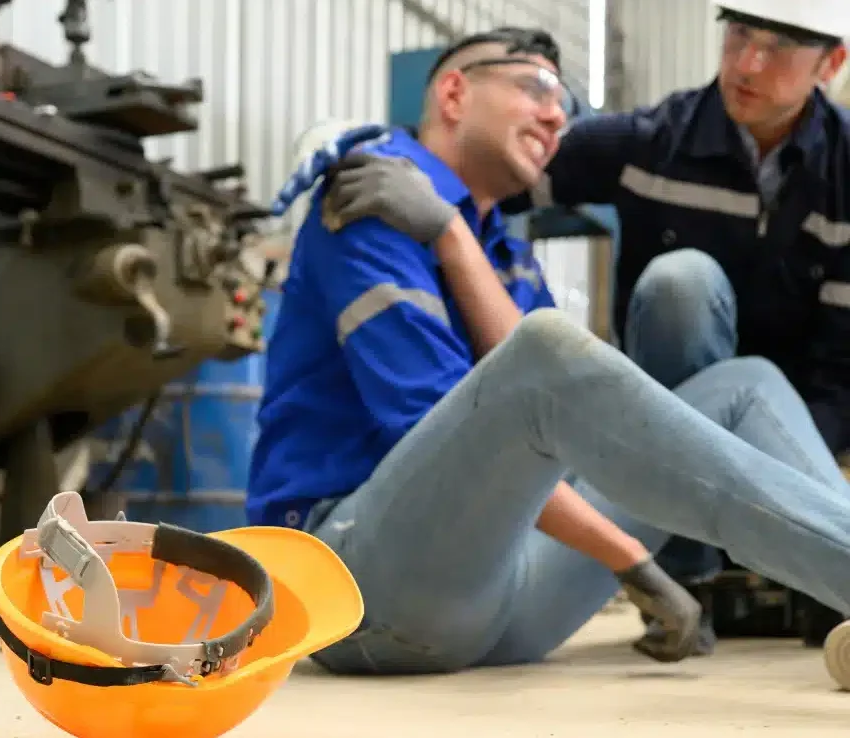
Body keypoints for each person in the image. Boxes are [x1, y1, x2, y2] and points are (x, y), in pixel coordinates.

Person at [245, 23, 850, 679]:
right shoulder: (373, 195)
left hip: (502, 593)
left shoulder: (499, 250)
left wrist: (453, 234)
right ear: (453, 93)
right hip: (363, 586)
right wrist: (628, 557)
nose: (556, 114)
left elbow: (538, 418)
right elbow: (443, 416)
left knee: (744, 385)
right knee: (549, 350)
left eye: (563, 100)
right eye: (535, 87)